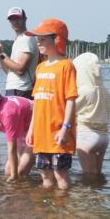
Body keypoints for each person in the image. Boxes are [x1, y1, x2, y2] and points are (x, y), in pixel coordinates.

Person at [24, 19, 78, 190]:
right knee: (45, 176)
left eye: (43, 39)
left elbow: (71, 99)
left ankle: (63, 211)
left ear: (57, 40)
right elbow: (37, 102)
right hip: (41, 133)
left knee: (60, 174)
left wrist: (65, 128)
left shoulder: (66, 66)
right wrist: (31, 129)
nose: (38, 43)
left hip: (58, 132)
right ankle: (47, 214)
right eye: (37, 40)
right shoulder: (40, 68)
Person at [72, 53, 110, 179]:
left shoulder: (84, 90)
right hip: (103, 137)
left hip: (87, 136)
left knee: (89, 177)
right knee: (97, 175)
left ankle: (89, 198)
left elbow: (69, 111)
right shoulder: (104, 90)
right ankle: (99, 197)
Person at [0, 7, 38, 99]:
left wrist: (1, 53)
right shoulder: (19, 39)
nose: (15, 21)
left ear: (25, 19)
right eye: (12, 19)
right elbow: (9, 71)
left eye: (18, 18)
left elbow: (20, 70)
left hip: (22, 90)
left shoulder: (27, 38)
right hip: (14, 88)